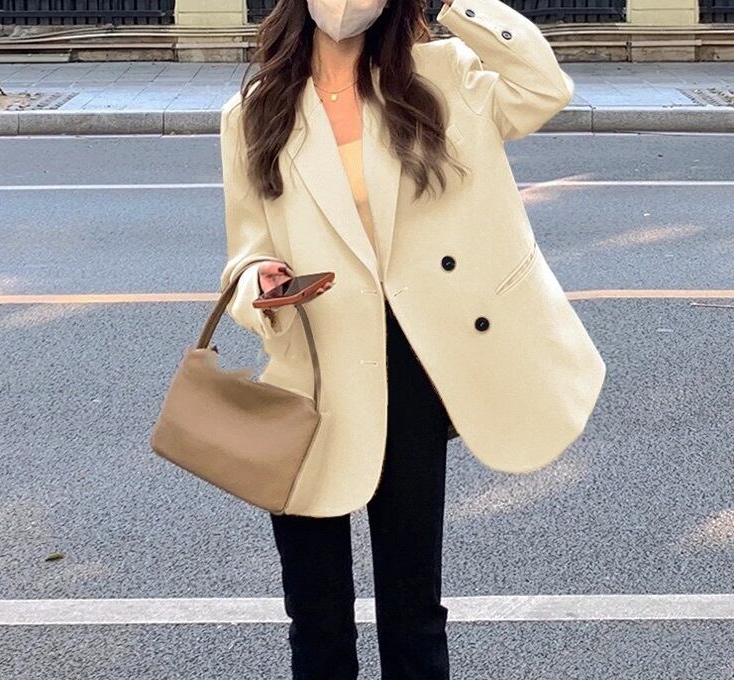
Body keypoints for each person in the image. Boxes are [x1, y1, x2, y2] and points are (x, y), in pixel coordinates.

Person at [219, 0, 604, 677]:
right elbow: (244, 250)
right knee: (315, 616)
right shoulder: (253, 112)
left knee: (412, 608)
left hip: (412, 366)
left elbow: (543, 88)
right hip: (311, 371)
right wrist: (259, 282)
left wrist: (455, 4)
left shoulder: (442, 75)